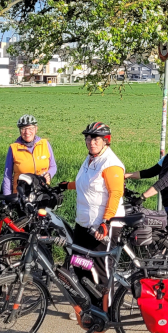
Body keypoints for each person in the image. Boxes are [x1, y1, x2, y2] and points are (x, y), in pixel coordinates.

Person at [59, 122, 125, 285]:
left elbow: (115, 193)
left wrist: (106, 222)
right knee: (79, 264)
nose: (91, 142)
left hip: (102, 225)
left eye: (96, 139)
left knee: (100, 271)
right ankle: (89, 306)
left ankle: (106, 309)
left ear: (106, 140)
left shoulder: (111, 164)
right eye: (88, 138)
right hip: (83, 223)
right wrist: (66, 185)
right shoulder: (91, 158)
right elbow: (88, 183)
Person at [125, 126, 168, 276]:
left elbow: (163, 182)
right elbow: (150, 172)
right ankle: (165, 271)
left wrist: (143, 197)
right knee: (166, 239)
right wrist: (127, 175)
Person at [2, 114, 56, 195]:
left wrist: (49, 174)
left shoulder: (45, 144)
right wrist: (8, 198)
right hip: (21, 194)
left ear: (36, 129)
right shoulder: (14, 148)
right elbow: (7, 176)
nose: (27, 132)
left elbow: (53, 166)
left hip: (42, 192)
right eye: (23, 128)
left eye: (30, 128)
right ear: (20, 130)